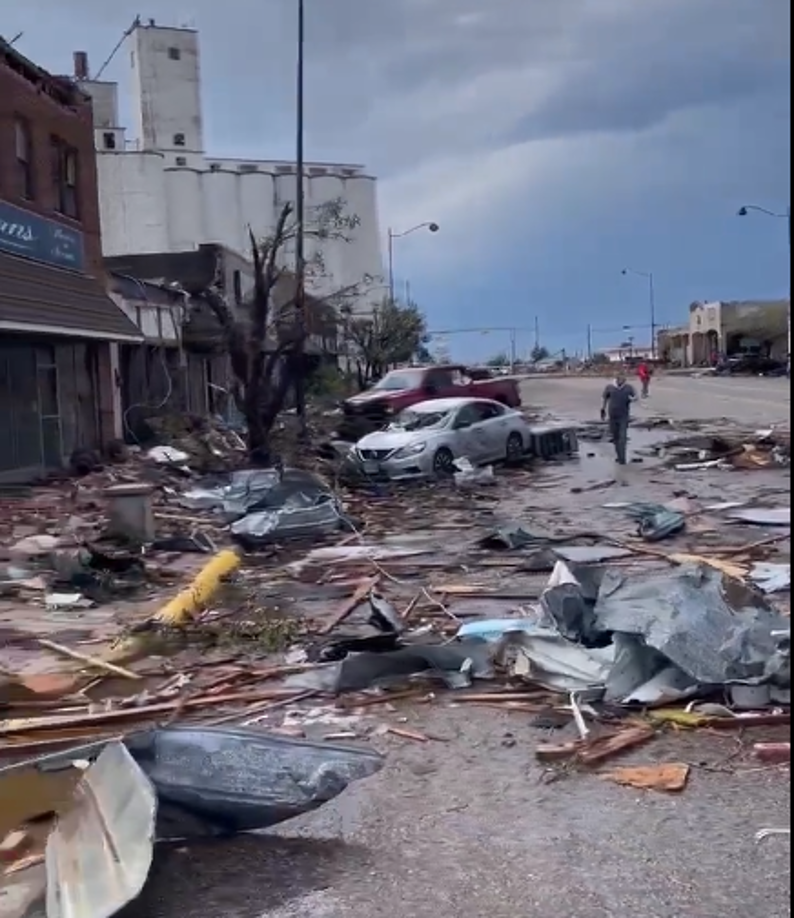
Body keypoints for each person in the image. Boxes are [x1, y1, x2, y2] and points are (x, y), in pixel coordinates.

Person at [600, 373, 636, 466]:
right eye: (621, 379)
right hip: (612, 416)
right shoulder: (609, 387)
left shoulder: (628, 388)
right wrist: (603, 410)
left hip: (624, 416)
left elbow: (635, 396)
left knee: (623, 437)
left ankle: (622, 459)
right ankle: (619, 455)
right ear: (617, 379)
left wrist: (632, 399)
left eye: (624, 379)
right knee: (615, 437)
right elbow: (605, 399)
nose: (623, 381)